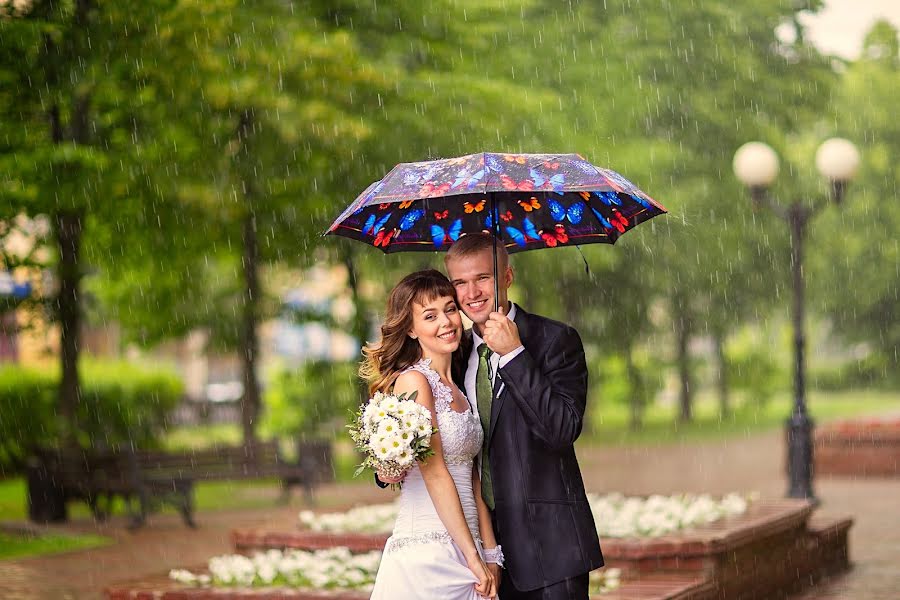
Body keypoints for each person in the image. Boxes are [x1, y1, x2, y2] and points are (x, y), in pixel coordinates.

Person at [446, 233, 604, 599]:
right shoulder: (454, 351)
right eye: (460, 283)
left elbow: (561, 430)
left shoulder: (554, 340)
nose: (471, 293)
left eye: (482, 278)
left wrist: (515, 355)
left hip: (550, 548)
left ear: (507, 277)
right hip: (480, 553)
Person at [362, 269, 502, 600]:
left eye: (450, 308)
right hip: (430, 551)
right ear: (410, 328)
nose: (447, 322)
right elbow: (435, 472)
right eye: (430, 315)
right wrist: (472, 556)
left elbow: (474, 477)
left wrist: (491, 553)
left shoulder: (461, 385)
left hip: (470, 546)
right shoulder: (413, 382)